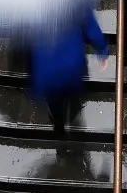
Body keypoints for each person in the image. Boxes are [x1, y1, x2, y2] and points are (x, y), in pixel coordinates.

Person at [27, 8, 110, 143]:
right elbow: (89, 24)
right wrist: (102, 49)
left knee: (54, 98)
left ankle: (59, 123)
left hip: (47, 61)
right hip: (71, 60)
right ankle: (71, 114)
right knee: (72, 92)